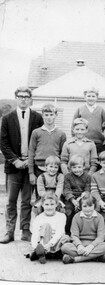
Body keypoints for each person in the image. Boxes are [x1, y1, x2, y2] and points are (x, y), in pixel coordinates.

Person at [0, 86, 44, 243]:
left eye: (26, 96)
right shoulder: (7, 118)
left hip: (30, 165)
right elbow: (3, 143)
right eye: (20, 96)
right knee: (11, 200)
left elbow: (40, 141)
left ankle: (25, 231)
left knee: (26, 200)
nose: (23, 99)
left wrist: (28, 161)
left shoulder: (37, 118)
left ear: (30, 99)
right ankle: (9, 232)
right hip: (13, 166)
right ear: (16, 98)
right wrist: (15, 160)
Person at [61, 193, 105, 264]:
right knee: (65, 247)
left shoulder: (99, 217)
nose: (88, 209)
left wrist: (90, 247)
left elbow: (101, 236)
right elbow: (74, 235)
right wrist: (79, 246)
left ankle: (76, 259)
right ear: (81, 206)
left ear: (94, 206)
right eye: (85, 206)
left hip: (94, 245)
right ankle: (96, 256)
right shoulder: (76, 217)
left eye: (90, 206)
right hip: (80, 244)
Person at [28, 103, 66, 187]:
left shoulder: (61, 134)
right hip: (39, 168)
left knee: (53, 195)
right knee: (40, 195)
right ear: (43, 116)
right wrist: (31, 172)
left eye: (51, 115)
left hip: (55, 168)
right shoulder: (36, 132)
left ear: (56, 115)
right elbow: (31, 152)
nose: (49, 117)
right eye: (46, 115)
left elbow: (62, 154)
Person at [29, 193, 66, 264]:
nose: (49, 207)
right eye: (46, 204)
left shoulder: (61, 216)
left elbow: (59, 233)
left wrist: (50, 244)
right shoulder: (39, 218)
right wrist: (35, 247)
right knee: (46, 226)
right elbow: (35, 234)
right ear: (42, 205)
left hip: (55, 243)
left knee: (65, 237)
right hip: (44, 243)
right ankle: (41, 252)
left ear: (56, 204)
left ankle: (43, 254)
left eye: (52, 204)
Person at [63, 154, 91, 234]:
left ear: (83, 167)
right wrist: (73, 200)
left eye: (79, 167)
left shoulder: (88, 177)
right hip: (71, 199)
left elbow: (87, 189)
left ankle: (82, 232)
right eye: (74, 167)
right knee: (68, 211)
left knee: (84, 210)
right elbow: (67, 189)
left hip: (83, 198)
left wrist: (80, 199)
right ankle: (68, 232)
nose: (77, 170)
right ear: (70, 168)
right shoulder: (68, 176)